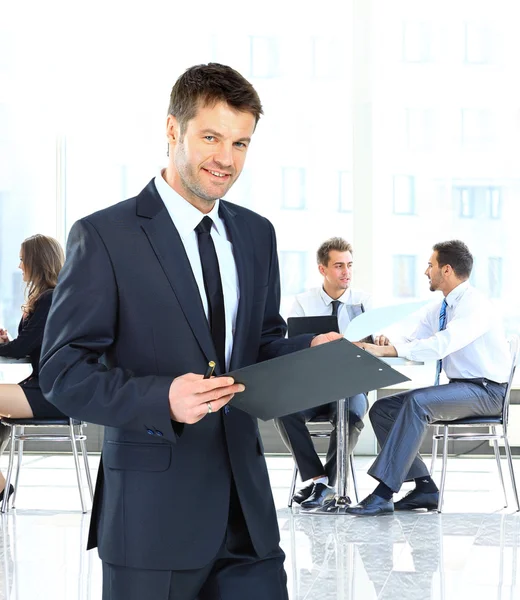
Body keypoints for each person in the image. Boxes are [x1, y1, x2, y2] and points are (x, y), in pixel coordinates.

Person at [39, 63, 341, 600]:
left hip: (247, 516)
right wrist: (163, 398)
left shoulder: (255, 234)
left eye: (241, 143)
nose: (226, 159)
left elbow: (260, 343)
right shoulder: (106, 236)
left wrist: (308, 351)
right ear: (173, 130)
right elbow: (63, 372)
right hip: (153, 519)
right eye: (211, 137)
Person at [347, 240, 510, 516]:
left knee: (417, 402)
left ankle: (384, 492)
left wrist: (389, 350)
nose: (425, 272)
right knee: (383, 409)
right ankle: (425, 487)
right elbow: (413, 337)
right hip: (462, 388)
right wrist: (387, 341)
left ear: (446, 270)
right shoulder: (442, 308)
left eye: (430, 265)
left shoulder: (475, 305)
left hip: (487, 392)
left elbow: (443, 343)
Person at [274, 237, 370, 508]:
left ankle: (327, 487)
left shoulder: (364, 302)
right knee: (284, 409)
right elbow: (294, 349)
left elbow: (371, 346)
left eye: (350, 265)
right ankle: (319, 481)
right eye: (339, 266)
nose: (346, 273)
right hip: (315, 386)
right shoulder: (303, 303)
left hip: (351, 385)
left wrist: (380, 341)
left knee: (350, 415)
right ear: (323, 269)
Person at [0, 234, 66, 502]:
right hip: (42, 387)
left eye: (22, 260)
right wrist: (6, 343)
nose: (19, 267)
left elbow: (20, 349)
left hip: (50, 392)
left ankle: (1, 488)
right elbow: (26, 347)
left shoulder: (51, 299)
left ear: (37, 263)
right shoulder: (49, 298)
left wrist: (9, 346)